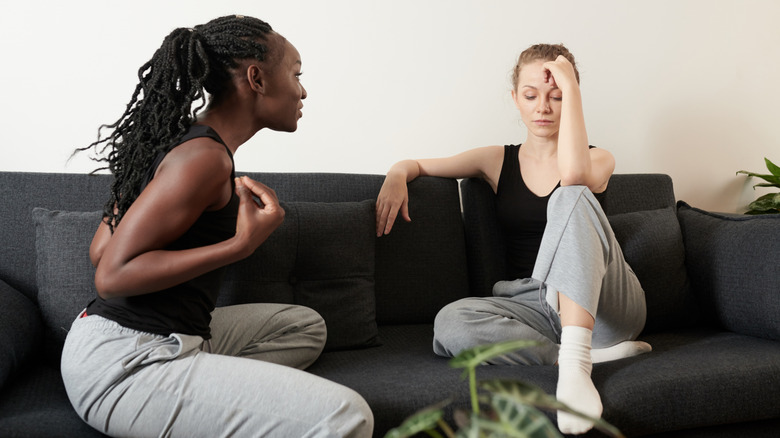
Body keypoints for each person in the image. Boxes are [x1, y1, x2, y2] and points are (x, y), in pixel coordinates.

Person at [63, 15, 373, 438]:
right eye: (296, 74)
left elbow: (102, 249)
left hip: (134, 337)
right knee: (347, 415)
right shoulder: (204, 159)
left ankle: (207, 392)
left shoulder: (179, 140)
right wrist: (240, 245)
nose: (302, 90)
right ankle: (193, 391)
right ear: (256, 78)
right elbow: (111, 276)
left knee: (303, 326)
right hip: (125, 364)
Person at [375, 43, 650, 435]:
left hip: (606, 304)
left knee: (568, 196)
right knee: (450, 323)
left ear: (571, 99)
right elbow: (418, 164)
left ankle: (576, 365)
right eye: (531, 95)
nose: (543, 107)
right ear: (514, 99)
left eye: (557, 96)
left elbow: (572, 178)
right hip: (537, 304)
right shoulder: (496, 159)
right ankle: (577, 356)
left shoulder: (599, 158)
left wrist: (571, 87)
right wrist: (397, 174)